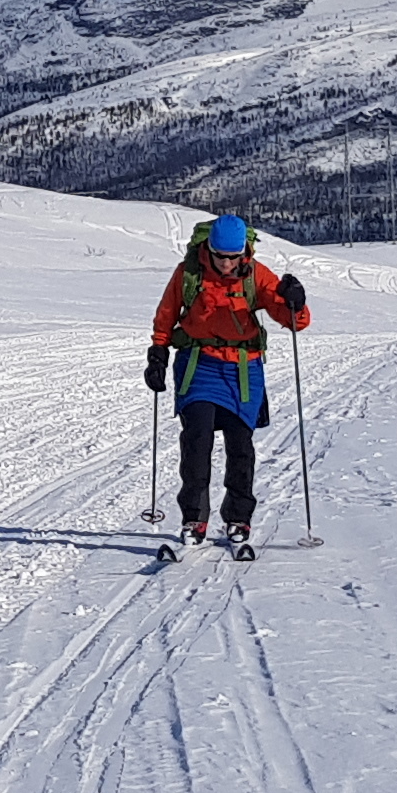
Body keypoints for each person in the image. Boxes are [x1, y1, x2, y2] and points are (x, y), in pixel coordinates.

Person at [144, 215, 311, 550]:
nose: (225, 263)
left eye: (232, 257)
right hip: (198, 364)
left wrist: (295, 301)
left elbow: (295, 321)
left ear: (244, 252)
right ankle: (194, 519)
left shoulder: (256, 275)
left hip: (242, 371)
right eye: (220, 255)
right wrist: (157, 353)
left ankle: (238, 518)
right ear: (208, 247)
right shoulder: (188, 273)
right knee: (196, 441)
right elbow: (166, 315)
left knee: (240, 446)